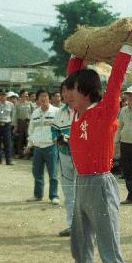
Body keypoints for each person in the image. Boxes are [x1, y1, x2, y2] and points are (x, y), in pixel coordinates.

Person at [52, 22, 132, 263]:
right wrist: (80, 49)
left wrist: (128, 44)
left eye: (71, 91)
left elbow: (116, 78)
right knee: (80, 246)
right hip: (81, 185)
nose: (65, 96)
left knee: (109, 252)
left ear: (85, 90)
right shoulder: (76, 113)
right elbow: (73, 70)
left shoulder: (103, 111)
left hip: (101, 186)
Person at [26, 89, 60, 205]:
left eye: (45, 96)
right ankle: (38, 195)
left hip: (51, 146)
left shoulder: (56, 111)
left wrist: (59, 140)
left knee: (53, 174)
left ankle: (54, 196)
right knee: (37, 172)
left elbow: (61, 127)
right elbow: (31, 130)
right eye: (41, 96)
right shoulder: (35, 113)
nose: (43, 98)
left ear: (49, 98)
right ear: (37, 100)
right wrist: (29, 145)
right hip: (38, 148)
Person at [52, 80, 76, 237]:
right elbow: (54, 133)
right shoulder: (59, 113)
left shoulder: (85, 110)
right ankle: (72, 225)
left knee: (84, 193)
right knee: (68, 193)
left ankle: (87, 227)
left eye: (69, 90)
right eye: (63, 91)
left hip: (82, 158)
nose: (66, 94)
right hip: (64, 156)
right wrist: (60, 139)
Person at [0, 91, 14, 165]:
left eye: (4, 96)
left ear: (6, 97)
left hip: (7, 125)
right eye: (1, 96)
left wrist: (10, 122)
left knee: (7, 142)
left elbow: (12, 114)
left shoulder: (11, 105)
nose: (3, 97)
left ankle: (8, 160)